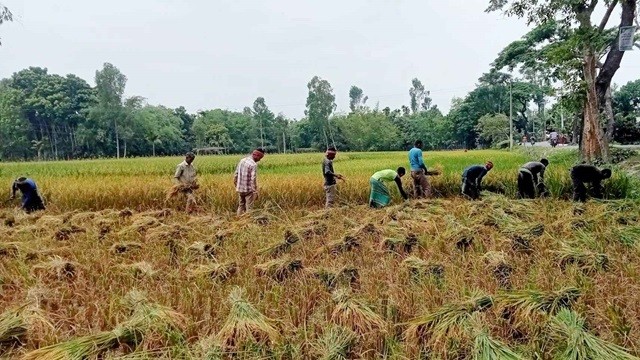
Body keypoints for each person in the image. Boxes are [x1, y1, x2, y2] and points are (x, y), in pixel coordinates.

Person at [234, 148, 265, 215]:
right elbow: (253, 179)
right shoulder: (253, 164)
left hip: (240, 189)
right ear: (256, 155)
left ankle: (238, 220)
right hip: (248, 190)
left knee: (241, 205)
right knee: (249, 207)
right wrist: (255, 191)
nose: (260, 160)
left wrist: (236, 185)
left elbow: (236, 174)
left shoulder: (242, 160)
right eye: (260, 157)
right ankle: (248, 222)